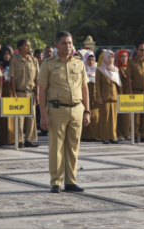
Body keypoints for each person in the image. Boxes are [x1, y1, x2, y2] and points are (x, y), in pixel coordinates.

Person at [38, 31, 90, 193]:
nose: (68, 46)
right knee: (56, 147)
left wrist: (87, 111)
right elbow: (41, 91)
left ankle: (70, 182)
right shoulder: (47, 64)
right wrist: (43, 116)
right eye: (64, 43)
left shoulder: (79, 63)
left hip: (77, 109)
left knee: (73, 147)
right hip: (56, 110)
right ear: (56, 45)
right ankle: (56, 181)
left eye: (70, 43)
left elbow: (84, 87)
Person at [9, 39, 39, 148]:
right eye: (26, 45)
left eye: (29, 45)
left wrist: (37, 94)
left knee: (31, 118)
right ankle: (20, 140)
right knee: (19, 119)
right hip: (19, 92)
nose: (29, 47)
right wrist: (14, 95)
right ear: (20, 47)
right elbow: (12, 79)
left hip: (31, 92)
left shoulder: (34, 60)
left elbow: (37, 79)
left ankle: (29, 140)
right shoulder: (14, 60)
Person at [126, 41, 144, 143]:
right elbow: (128, 78)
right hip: (137, 92)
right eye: (141, 50)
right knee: (136, 117)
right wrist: (130, 93)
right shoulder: (132, 63)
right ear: (136, 50)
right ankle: (135, 135)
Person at [96, 50, 121, 144]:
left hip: (114, 97)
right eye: (109, 57)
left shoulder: (115, 70)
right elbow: (97, 85)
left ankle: (113, 137)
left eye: (112, 57)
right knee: (105, 119)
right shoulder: (100, 70)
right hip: (104, 98)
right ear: (105, 58)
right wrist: (98, 97)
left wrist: (120, 96)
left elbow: (118, 85)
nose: (111, 59)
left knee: (114, 119)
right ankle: (104, 137)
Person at [0, 45, 15, 145]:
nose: (7, 56)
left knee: (10, 115)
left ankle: (10, 139)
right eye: (5, 54)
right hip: (0, 90)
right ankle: (1, 139)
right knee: (1, 116)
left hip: (11, 91)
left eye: (8, 54)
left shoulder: (13, 64)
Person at [81, 51, 100, 142]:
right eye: (89, 59)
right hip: (85, 96)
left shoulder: (97, 69)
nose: (91, 61)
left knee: (95, 117)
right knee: (85, 115)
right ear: (86, 59)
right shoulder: (83, 69)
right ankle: (85, 136)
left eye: (92, 59)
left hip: (95, 96)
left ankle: (94, 135)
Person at [116, 49, 131, 140]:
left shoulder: (129, 67)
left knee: (128, 115)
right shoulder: (116, 68)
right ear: (119, 57)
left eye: (125, 56)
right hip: (120, 92)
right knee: (121, 115)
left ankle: (127, 133)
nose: (124, 58)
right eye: (122, 56)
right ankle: (120, 134)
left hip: (128, 92)